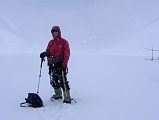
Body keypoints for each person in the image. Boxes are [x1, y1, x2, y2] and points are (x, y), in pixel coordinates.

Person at [40, 26, 71, 103]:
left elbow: (67, 54)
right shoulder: (51, 42)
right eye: (53, 31)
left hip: (61, 65)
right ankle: (58, 94)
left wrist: (64, 64)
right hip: (52, 65)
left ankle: (67, 97)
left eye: (56, 31)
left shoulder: (64, 42)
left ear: (59, 32)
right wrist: (44, 54)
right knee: (53, 81)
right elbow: (48, 52)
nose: (55, 32)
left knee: (63, 81)